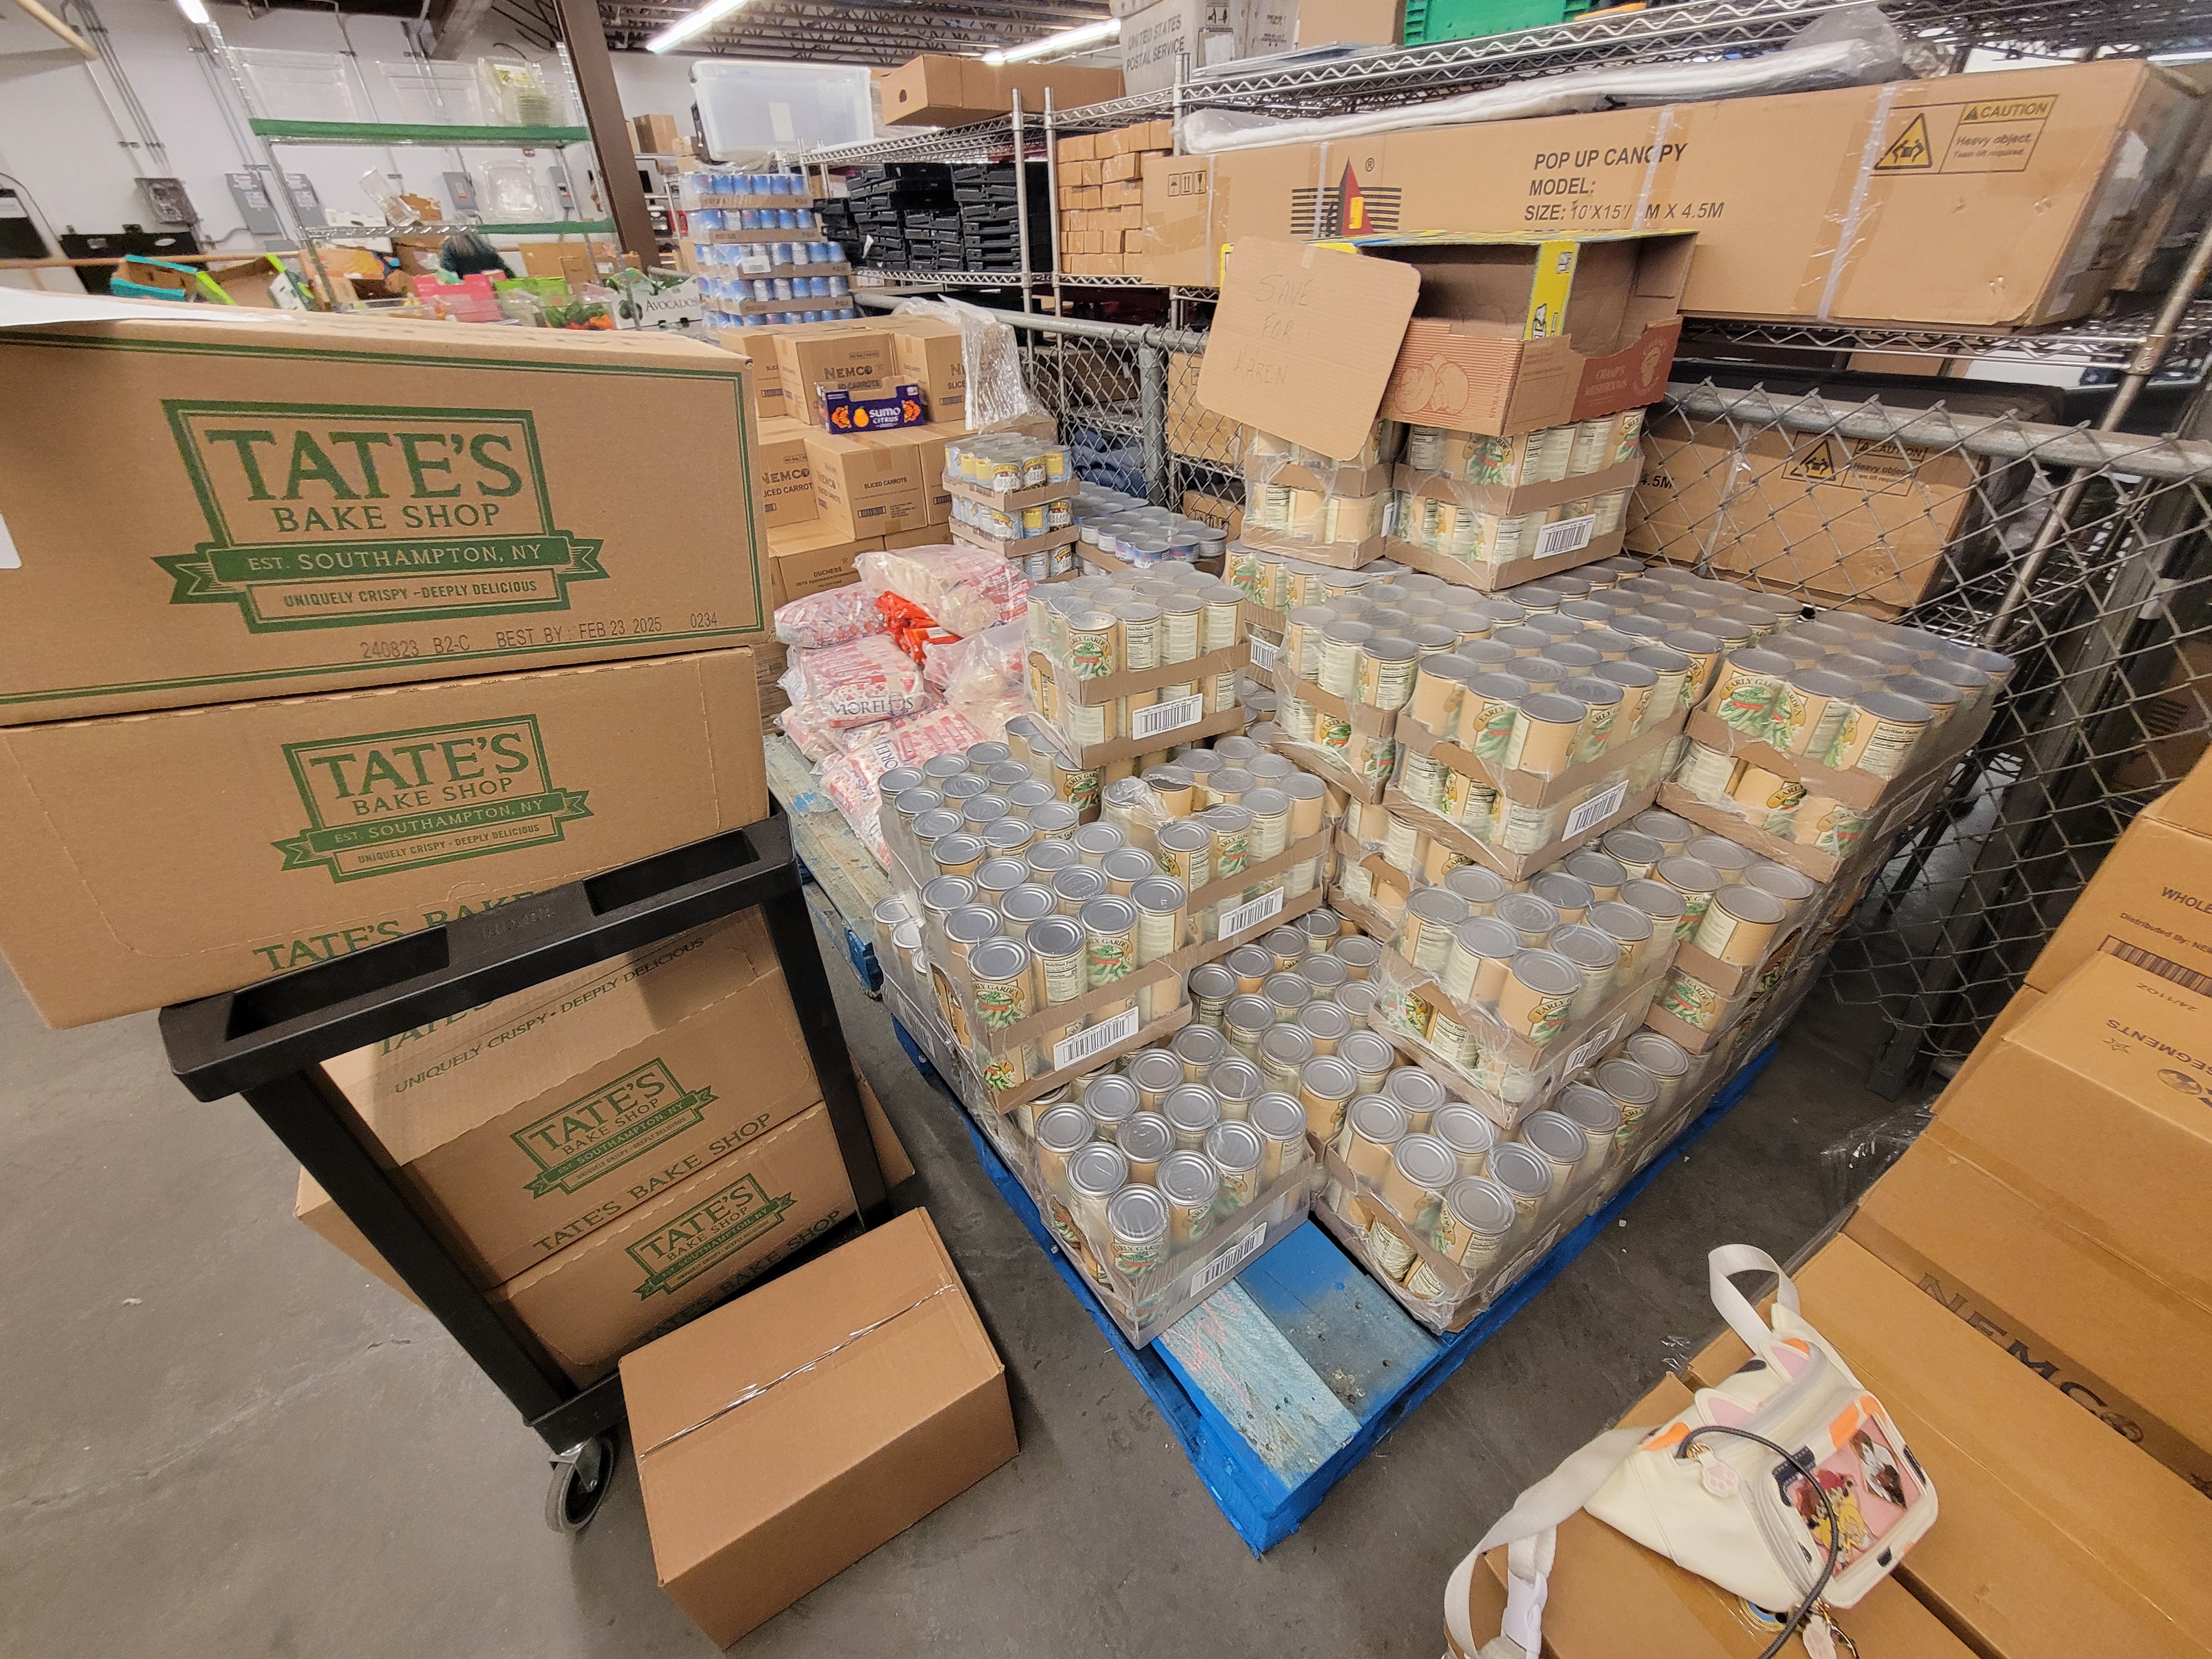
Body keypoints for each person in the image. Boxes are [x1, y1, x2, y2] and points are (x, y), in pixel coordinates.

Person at [438, 230, 512, 279]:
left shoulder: (449, 247)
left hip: (467, 289)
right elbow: (506, 271)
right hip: (492, 287)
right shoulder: (485, 246)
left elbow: (448, 270)